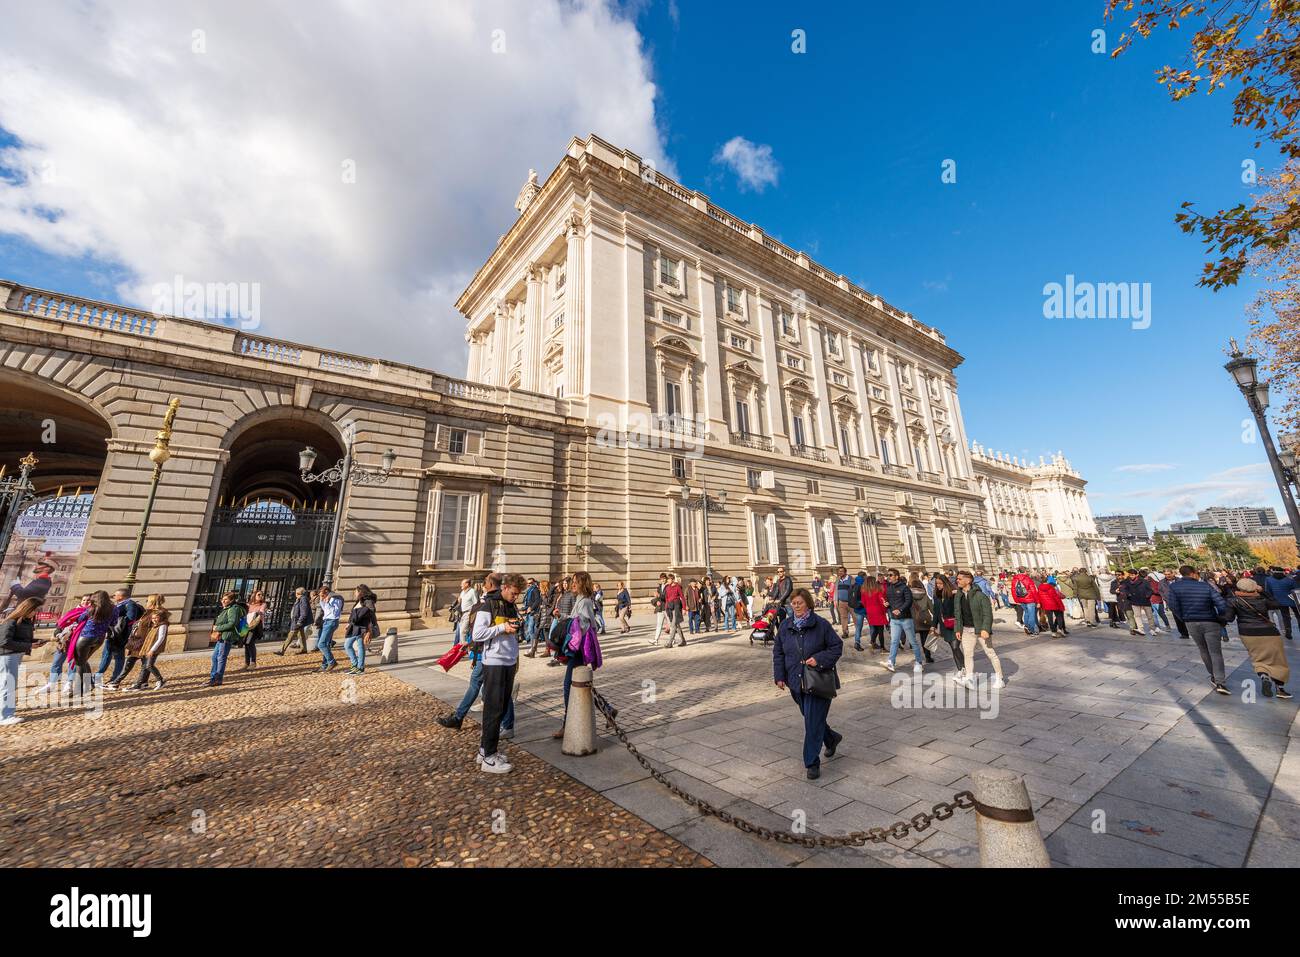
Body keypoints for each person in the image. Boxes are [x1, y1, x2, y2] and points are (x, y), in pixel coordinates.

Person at [772, 587, 843, 780]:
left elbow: (837, 646)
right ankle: (831, 738)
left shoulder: (820, 624)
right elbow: (778, 652)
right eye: (793, 603)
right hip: (795, 681)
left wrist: (818, 659)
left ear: (808, 603)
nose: (796, 606)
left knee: (811, 722)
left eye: (800, 603)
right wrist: (779, 676)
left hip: (818, 681)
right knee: (812, 717)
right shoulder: (786, 626)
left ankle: (812, 762)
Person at [437, 574, 517, 743]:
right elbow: (482, 629)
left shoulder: (495, 602)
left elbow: (488, 630)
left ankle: (495, 732)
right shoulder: (492, 601)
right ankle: (462, 717)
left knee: (487, 688)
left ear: (489, 584)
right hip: (488, 653)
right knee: (491, 689)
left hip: (492, 655)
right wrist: (471, 643)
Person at [472, 572, 526, 773]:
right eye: (513, 593)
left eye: (518, 594)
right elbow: (478, 634)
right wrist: (502, 627)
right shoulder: (489, 605)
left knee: (501, 707)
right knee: (493, 709)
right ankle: (489, 759)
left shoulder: (510, 605)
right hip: (494, 661)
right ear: (504, 588)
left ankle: (485, 749)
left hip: (508, 660)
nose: (515, 597)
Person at [1166, 565, 1230, 695]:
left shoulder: (1174, 587)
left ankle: (1213, 675)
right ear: (1194, 574)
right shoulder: (1205, 586)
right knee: (1215, 652)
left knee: (1203, 649)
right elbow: (1221, 603)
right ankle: (1220, 681)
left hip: (1191, 622)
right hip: (1210, 621)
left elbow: (1172, 605)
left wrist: (1183, 617)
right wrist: (1222, 617)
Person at [1225, 578, 1291, 699]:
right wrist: (1263, 591)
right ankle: (1280, 689)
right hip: (1268, 632)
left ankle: (1264, 675)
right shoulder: (1262, 599)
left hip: (1247, 633)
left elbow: (1228, 618)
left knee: (1258, 658)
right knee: (1278, 660)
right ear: (1255, 587)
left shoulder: (1233, 601)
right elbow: (1276, 604)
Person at [954, 571, 1004, 689]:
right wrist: (957, 629)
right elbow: (957, 613)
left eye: (960, 579)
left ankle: (999, 678)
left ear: (968, 580)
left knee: (990, 653)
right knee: (968, 655)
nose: (957, 581)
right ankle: (969, 680)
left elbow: (988, 614)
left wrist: (985, 629)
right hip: (966, 630)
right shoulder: (958, 595)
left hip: (980, 629)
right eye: (957, 579)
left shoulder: (980, 595)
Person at [0, 598, 46, 724]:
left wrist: (35, 642)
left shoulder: (24, 622)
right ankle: (5, 716)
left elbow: (20, 639)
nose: (36, 613)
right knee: (8, 685)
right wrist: (29, 646)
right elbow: (4, 642)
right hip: (7, 656)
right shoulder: (11, 621)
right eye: (35, 609)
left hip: (14, 655)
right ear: (28, 608)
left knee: (6, 684)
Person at [40, 594, 91, 695]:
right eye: (83, 600)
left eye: (88, 601)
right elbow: (61, 624)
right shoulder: (72, 611)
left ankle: (69, 684)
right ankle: (52, 683)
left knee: (72, 663)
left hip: (77, 642)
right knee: (56, 662)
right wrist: (58, 634)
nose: (85, 602)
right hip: (63, 641)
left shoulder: (91, 614)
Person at [96, 588, 144, 689]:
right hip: (113, 633)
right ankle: (99, 678)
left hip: (120, 635)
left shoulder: (130, 604)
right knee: (106, 655)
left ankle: (115, 679)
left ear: (121, 596)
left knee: (118, 657)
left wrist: (118, 622)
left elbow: (131, 619)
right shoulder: (119, 605)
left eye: (115, 595)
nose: (113, 597)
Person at [70, 591, 115, 695]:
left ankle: (79, 690)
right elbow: (114, 623)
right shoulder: (114, 609)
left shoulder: (92, 608)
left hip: (86, 637)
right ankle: (89, 684)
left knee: (79, 663)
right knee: (84, 660)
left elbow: (80, 619)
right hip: (100, 638)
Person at [121, 606, 170, 691]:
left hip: (154, 649)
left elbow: (160, 638)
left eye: (156, 618)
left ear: (161, 617)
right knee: (147, 665)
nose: (153, 619)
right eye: (152, 618)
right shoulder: (155, 625)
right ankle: (143, 683)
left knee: (149, 665)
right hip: (149, 648)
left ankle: (161, 680)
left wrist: (152, 650)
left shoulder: (163, 626)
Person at [884, 568, 922, 674]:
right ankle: (891, 662)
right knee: (894, 641)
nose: (889, 577)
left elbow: (909, 601)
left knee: (913, 642)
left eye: (891, 575)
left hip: (906, 619)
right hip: (894, 620)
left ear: (896, 576)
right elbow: (889, 601)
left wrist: (900, 609)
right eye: (888, 575)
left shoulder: (904, 587)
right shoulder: (888, 588)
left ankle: (919, 662)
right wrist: (887, 604)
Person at [208, 590, 246, 687]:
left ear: (231, 600)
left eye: (226, 599)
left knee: (221, 658)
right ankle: (213, 678)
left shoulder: (233, 609)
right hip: (221, 636)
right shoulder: (226, 608)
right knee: (215, 657)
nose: (223, 601)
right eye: (222, 599)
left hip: (227, 636)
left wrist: (218, 628)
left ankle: (218, 679)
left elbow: (232, 623)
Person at [344, 585, 378, 674]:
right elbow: (354, 614)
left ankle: (360, 667)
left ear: (360, 592)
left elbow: (371, 612)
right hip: (355, 627)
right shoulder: (359, 601)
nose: (354, 593)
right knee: (347, 645)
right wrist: (349, 623)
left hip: (363, 627)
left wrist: (369, 630)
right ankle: (355, 665)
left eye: (355, 591)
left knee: (360, 646)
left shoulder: (368, 600)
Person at [1264, 567, 1300, 640]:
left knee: (1285, 617)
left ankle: (1288, 632)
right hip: (1292, 600)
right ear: (1283, 572)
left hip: (1279, 601)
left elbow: (1268, 591)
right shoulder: (1289, 580)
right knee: (1298, 616)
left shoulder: (1269, 580)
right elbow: (1296, 589)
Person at [314, 586, 343, 672]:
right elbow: (325, 610)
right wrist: (322, 600)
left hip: (332, 621)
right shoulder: (325, 599)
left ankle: (332, 661)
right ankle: (324, 665)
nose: (320, 595)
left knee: (321, 644)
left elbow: (335, 612)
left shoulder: (336, 598)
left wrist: (328, 602)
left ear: (326, 591)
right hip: (326, 621)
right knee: (326, 644)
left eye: (322, 593)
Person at [277, 587, 313, 655]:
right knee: (301, 635)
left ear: (298, 593)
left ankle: (282, 650)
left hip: (298, 621)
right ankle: (303, 649)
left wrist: (299, 622)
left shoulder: (303, 599)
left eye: (296, 592)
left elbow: (304, 612)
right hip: (297, 621)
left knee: (290, 635)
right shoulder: (300, 599)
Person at [909, 574, 936, 664]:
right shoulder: (925, 595)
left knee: (913, 640)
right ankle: (928, 657)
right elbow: (932, 608)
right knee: (925, 639)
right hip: (925, 619)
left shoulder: (909, 595)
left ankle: (918, 658)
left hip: (913, 619)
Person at [861, 575, 887, 652]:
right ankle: (882, 648)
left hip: (870, 611)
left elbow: (863, 602)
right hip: (878, 610)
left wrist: (868, 608)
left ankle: (872, 641)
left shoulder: (864, 591)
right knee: (880, 630)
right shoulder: (877, 590)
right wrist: (885, 607)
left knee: (875, 628)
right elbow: (881, 600)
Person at [1010, 568, 1039, 636]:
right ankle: (1032, 630)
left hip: (1021, 599)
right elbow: (1033, 590)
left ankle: (1026, 627)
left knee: (1026, 613)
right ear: (1025, 571)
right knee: (1031, 614)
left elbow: (1013, 590)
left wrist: (1016, 600)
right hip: (1030, 599)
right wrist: (1037, 601)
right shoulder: (1027, 579)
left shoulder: (1015, 579)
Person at [242, 588, 266, 670]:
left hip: (255, 626)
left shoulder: (262, 605)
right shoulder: (249, 605)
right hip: (246, 626)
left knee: (250, 643)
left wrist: (258, 613)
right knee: (246, 643)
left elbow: (261, 612)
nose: (261, 596)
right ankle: (246, 662)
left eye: (262, 595)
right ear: (254, 595)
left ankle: (253, 662)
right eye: (259, 594)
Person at [662, 573, 686, 648]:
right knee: (677, 625)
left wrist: (684, 608)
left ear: (672, 579)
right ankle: (683, 641)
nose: (667, 580)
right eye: (667, 579)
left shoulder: (677, 587)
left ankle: (670, 643)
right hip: (669, 607)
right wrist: (666, 607)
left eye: (668, 579)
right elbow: (666, 598)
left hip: (676, 606)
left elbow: (682, 597)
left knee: (673, 625)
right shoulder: (667, 587)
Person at [521, 577, 544, 653]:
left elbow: (537, 601)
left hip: (533, 612)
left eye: (530, 583)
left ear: (534, 583)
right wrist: (525, 609)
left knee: (531, 629)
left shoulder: (535, 590)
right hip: (529, 612)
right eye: (528, 583)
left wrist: (531, 608)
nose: (529, 584)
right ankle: (533, 647)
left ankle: (533, 647)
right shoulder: (529, 590)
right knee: (530, 629)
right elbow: (529, 601)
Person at [457, 578, 479, 643]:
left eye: (462, 584)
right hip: (462, 614)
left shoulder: (472, 591)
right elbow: (461, 601)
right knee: (461, 630)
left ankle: (463, 648)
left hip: (469, 613)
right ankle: (462, 646)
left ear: (467, 584)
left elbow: (476, 604)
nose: (460, 585)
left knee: (463, 631)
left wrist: (473, 615)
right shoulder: (462, 592)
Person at [833, 566, 852, 640]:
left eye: (841, 571)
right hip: (841, 602)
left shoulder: (850, 579)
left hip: (850, 602)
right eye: (839, 571)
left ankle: (858, 631)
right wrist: (835, 600)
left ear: (845, 572)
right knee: (843, 618)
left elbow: (855, 589)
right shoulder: (837, 580)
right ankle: (845, 632)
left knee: (855, 617)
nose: (840, 572)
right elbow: (835, 591)